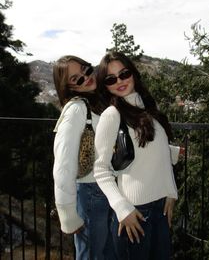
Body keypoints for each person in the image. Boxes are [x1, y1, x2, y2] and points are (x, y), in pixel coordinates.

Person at [94, 51, 180, 260]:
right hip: (135, 214)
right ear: (105, 85)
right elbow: (101, 169)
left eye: (124, 74)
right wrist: (123, 209)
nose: (120, 81)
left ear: (133, 73)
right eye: (111, 79)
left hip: (160, 209)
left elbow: (158, 153)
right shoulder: (112, 115)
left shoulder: (148, 107)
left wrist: (171, 191)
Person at [52, 55, 115, 260]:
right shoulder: (76, 109)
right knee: (93, 255)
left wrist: (171, 153)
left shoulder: (101, 102)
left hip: (111, 189)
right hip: (91, 193)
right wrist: (67, 214)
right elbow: (63, 163)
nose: (86, 78)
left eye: (86, 70)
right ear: (68, 86)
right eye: (76, 79)